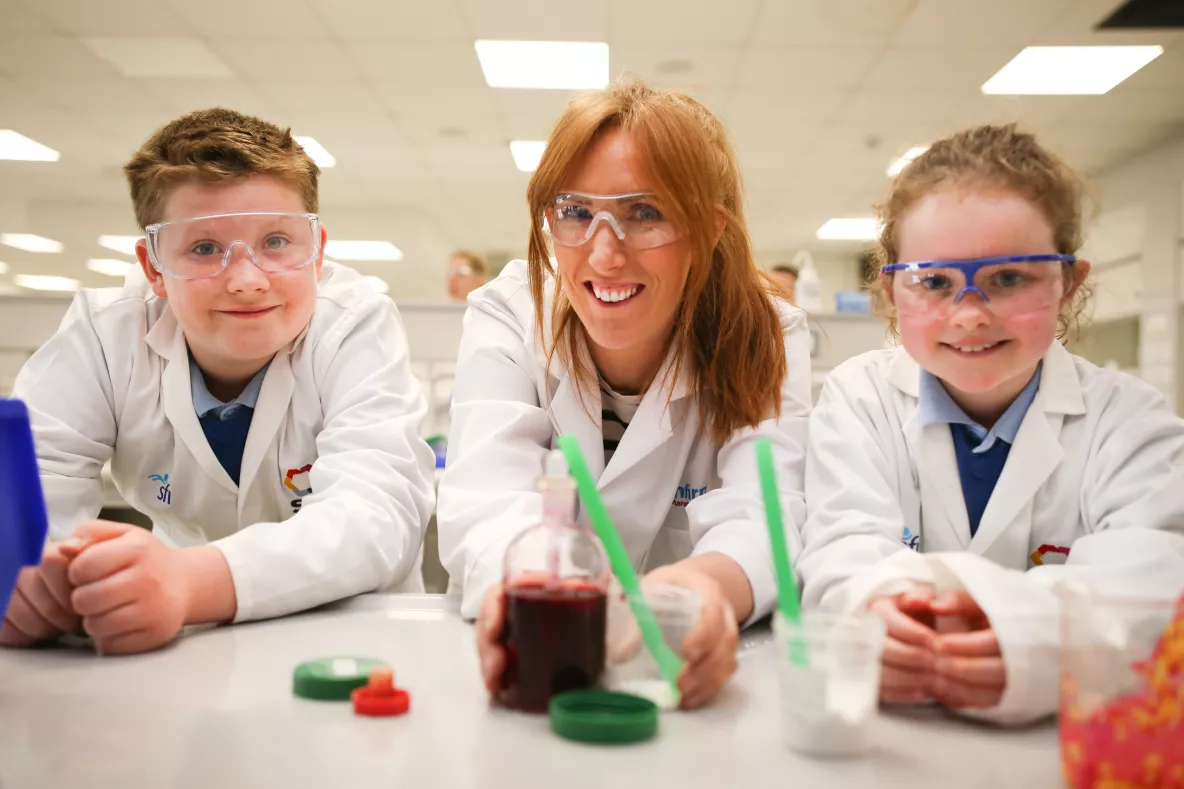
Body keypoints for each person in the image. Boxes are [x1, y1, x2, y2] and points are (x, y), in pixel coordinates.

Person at [1, 108, 436, 655]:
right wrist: (35, 584)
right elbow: (35, 488)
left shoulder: (353, 325)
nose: (248, 281)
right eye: (204, 248)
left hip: (349, 636)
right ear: (154, 265)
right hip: (176, 638)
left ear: (318, 250)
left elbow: (377, 516)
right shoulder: (106, 334)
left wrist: (186, 583)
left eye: (277, 241)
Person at [437, 79, 812, 709]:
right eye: (576, 212)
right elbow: (485, 501)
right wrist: (532, 584)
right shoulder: (510, 313)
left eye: (646, 213)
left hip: (687, 684)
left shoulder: (767, 333)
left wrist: (699, 592)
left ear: (709, 229)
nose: (604, 254)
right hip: (535, 660)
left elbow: (768, 513)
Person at [799, 124, 1184, 724]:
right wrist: (876, 609)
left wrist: (1033, 640)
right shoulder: (860, 398)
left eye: (1008, 278)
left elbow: (1150, 580)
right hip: (896, 736)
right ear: (894, 289)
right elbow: (840, 554)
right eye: (934, 282)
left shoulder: (1129, 419)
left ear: (1067, 283)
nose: (971, 315)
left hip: (1064, 745)